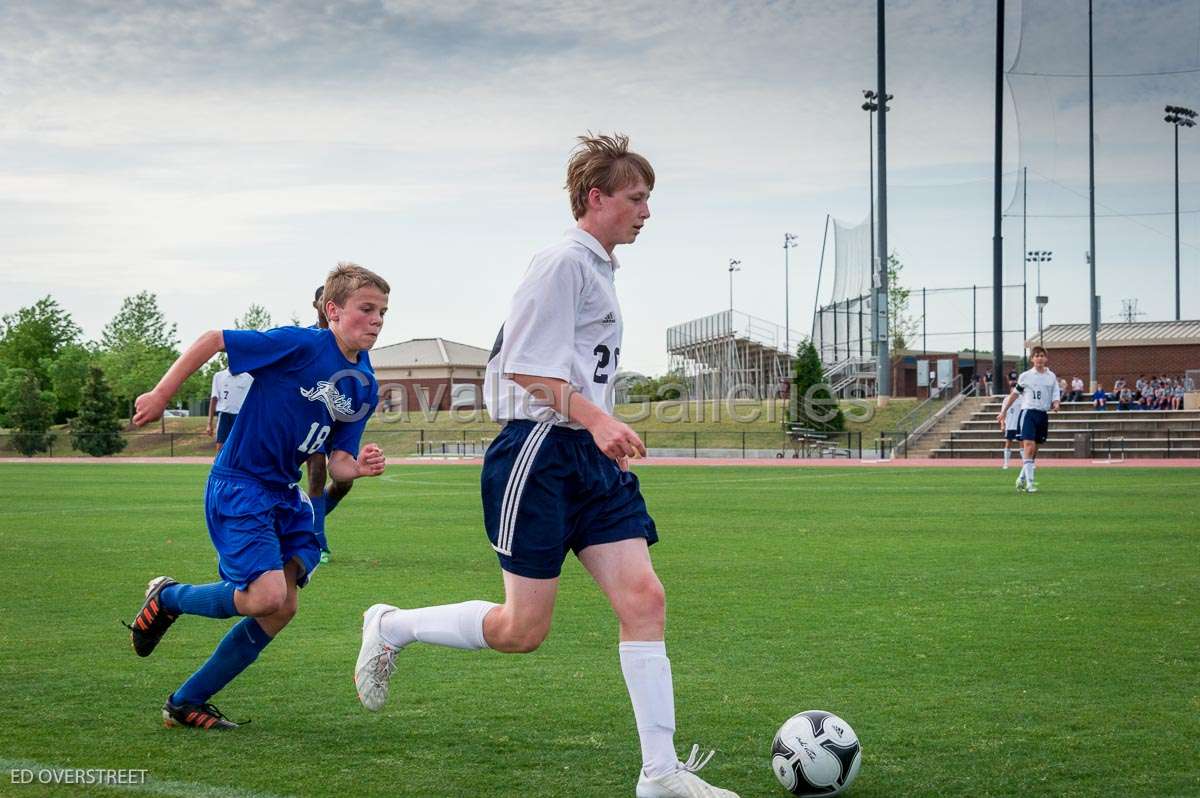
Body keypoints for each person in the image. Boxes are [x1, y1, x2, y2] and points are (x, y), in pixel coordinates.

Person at [353, 134, 738, 798]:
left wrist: (600, 427)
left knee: (644, 600)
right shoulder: (562, 262)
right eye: (637, 197)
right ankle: (390, 625)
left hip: (588, 460)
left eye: (649, 198)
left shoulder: (597, 269)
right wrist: (596, 416)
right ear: (597, 198)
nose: (647, 211)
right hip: (536, 453)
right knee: (521, 630)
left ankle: (661, 774)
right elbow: (519, 366)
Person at [124, 263, 389, 730]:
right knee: (266, 597)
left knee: (281, 606)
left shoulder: (365, 382)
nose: (377, 320)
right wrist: (163, 393)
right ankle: (169, 598)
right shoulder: (301, 344)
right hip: (241, 484)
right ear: (333, 310)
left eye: (383, 312)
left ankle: (186, 702)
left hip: (283, 495)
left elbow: (340, 459)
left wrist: (359, 468)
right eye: (366, 309)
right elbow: (213, 339)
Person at [305, 285, 355, 564]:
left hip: (340, 419)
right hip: (311, 417)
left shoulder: (350, 341)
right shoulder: (309, 338)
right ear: (318, 305)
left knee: (344, 482)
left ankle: (305, 523)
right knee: (316, 476)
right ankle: (317, 543)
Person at [997, 345, 1061, 493]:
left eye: (1041, 355)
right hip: (1028, 413)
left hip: (1042, 414)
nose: (1039, 358)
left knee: (1034, 451)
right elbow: (1015, 394)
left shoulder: (1051, 376)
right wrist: (1004, 412)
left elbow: (1055, 392)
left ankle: (1021, 478)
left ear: (1046, 358)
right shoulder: (1026, 376)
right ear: (1032, 359)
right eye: (1036, 355)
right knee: (1029, 446)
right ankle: (1030, 484)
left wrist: (1056, 403)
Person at [206, 367, 253, 452]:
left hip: (240, 416)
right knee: (221, 445)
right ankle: (218, 464)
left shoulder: (249, 378)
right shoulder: (218, 376)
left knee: (240, 446)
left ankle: (238, 465)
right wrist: (209, 423)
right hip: (224, 414)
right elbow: (214, 399)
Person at [1000, 394, 1022, 469]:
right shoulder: (1006, 399)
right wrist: (1002, 424)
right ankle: (1006, 463)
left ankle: (1026, 463)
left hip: (1019, 425)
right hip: (1009, 425)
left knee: (1022, 444)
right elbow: (1003, 412)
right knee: (1008, 443)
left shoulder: (1022, 398)